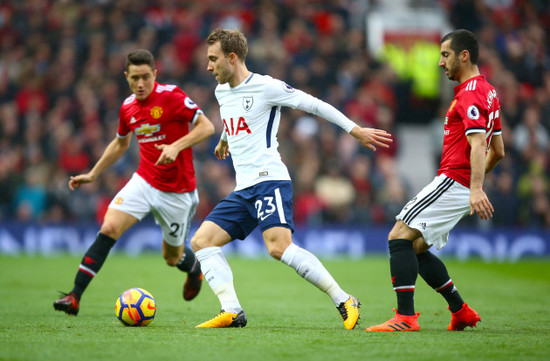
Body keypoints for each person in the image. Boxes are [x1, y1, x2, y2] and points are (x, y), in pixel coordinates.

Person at [190, 29, 393, 329]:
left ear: (232, 58)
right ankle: (232, 310)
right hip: (244, 187)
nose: (208, 67)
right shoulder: (222, 91)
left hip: (269, 180)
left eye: (213, 59)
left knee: (278, 247)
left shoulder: (266, 87)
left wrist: (354, 129)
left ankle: (343, 299)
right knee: (202, 241)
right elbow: (235, 116)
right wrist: (224, 139)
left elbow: (313, 104)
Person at [53, 49, 215, 315]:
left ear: (155, 75)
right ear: (126, 77)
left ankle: (194, 269)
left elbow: (206, 127)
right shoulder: (127, 106)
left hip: (177, 192)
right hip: (144, 181)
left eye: (146, 77)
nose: (141, 84)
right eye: (135, 78)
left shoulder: (172, 96)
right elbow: (120, 143)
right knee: (109, 227)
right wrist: (94, 174)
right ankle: (74, 296)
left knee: (172, 258)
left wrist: (175, 146)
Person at [365, 29, 505, 332]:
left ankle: (405, 318)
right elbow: (500, 151)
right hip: (460, 184)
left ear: (464, 56)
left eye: (445, 55)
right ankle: (461, 310)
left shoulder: (469, 94)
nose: (441, 62)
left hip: (452, 180)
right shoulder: (489, 92)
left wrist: (473, 186)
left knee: (398, 236)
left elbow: (480, 143)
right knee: (416, 248)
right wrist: (472, 186)